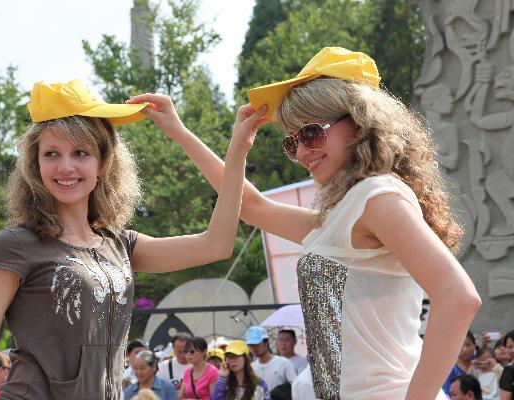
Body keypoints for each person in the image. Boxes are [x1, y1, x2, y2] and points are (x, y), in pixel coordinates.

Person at [128, 46, 482, 399]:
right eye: (291, 141)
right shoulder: (350, 209)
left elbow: (458, 297)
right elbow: (250, 206)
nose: (300, 153)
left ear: (359, 121)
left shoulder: (376, 197)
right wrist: (212, 139)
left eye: (311, 133)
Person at [0, 79, 267, 399]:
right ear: (36, 164)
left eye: (80, 152)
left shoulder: (119, 244)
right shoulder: (15, 245)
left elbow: (217, 244)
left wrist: (235, 147)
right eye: (51, 154)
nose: (66, 166)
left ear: (102, 163)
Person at [245, 326, 295, 393]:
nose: (254, 348)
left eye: (257, 344)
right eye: (251, 345)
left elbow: (295, 387)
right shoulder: (251, 367)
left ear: (266, 343)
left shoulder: (284, 363)